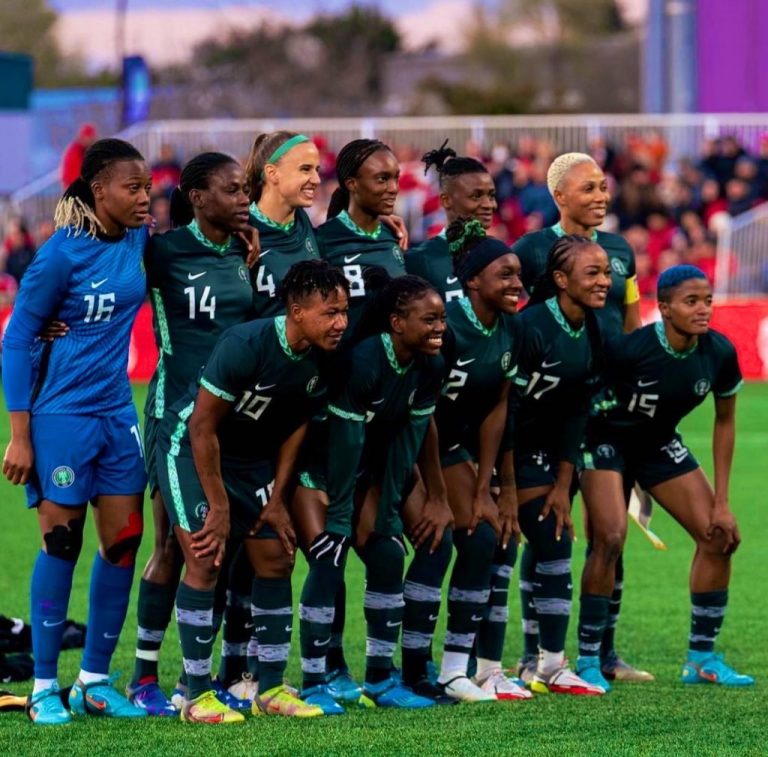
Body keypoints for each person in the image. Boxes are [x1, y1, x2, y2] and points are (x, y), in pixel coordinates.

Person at [156, 260, 349, 723]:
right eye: (330, 312)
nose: (341, 322)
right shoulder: (245, 345)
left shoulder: (326, 358)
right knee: (205, 558)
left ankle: (271, 688)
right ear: (297, 311)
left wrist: (278, 499)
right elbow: (201, 427)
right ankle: (195, 696)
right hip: (192, 447)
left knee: (277, 557)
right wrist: (219, 505)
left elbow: (296, 427)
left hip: (250, 458)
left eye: (344, 311)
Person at [2, 138, 152, 724]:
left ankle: (93, 680)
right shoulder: (60, 255)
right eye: (133, 188)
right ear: (98, 190)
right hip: (60, 415)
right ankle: (44, 686)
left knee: (124, 541)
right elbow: (17, 337)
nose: (145, 198)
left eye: (147, 187)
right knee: (61, 543)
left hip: (117, 412)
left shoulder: (137, 239)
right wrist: (20, 435)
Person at [578, 265, 753, 689]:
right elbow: (584, 403)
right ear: (665, 307)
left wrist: (723, 502)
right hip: (606, 440)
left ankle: (701, 660)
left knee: (719, 537)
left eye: (707, 300)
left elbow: (725, 422)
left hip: (657, 445)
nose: (703, 309)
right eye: (691, 301)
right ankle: (587, 660)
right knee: (610, 540)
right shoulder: (630, 350)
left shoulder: (718, 352)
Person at [127, 152, 257, 716]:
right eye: (233, 189)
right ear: (198, 197)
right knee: (183, 549)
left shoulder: (243, 250)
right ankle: (151, 680)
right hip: (176, 417)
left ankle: (189, 679)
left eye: (246, 188)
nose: (244, 198)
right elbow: (98, 272)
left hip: (229, 424)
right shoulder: (163, 251)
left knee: (217, 553)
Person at [512, 152, 649, 684]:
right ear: (559, 196)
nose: (600, 196)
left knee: (610, 533)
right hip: (551, 411)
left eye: (603, 186)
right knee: (547, 528)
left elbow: (630, 323)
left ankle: (603, 653)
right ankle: (532, 653)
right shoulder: (531, 249)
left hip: (607, 409)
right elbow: (512, 313)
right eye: (587, 188)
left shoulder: (620, 250)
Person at [293, 275, 445, 711]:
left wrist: (390, 512)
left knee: (388, 553)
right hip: (316, 468)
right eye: (429, 320)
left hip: (362, 471)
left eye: (442, 319)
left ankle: (380, 677)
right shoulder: (364, 360)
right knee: (329, 554)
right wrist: (341, 516)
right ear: (397, 323)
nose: (439, 328)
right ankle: (315, 680)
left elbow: (406, 443)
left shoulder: (430, 366)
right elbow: (344, 443)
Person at [400, 218, 530, 703]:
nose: (516, 283)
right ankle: (409, 670)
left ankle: (456, 670)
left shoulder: (511, 328)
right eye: (505, 274)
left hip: (450, 447)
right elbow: (422, 410)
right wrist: (435, 493)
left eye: (518, 274)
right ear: (473, 281)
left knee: (482, 537)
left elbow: (498, 408)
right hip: (406, 441)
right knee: (434, 540)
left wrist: (488, 488)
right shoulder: (447, 327)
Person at [504, 233, 611, 696]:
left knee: (554, 535)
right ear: (562, 280)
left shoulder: (592, 328)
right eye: (593, 273)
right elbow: (503, 408)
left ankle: (548, 664)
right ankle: (477, 667)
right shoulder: (530, 327)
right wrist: (504, 486)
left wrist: (564, 485)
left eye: (606, 272)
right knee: (496, 548)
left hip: (544, 454)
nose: (604, 281)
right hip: (499, 448)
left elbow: (576, 411)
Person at [316, 138, 406, 342]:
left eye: (396, 178)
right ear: (352, 184)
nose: (393, 188)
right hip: (344, 358)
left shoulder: (394, 235)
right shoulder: (322, 239)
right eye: (382, 179)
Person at [405, 140, 498, 302]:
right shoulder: (420, 260)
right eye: (476, 196)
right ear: (446, 200)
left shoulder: (499, 254)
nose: (488, 205)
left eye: (491, 196)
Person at [60, 123, 98, 191]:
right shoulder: (75, 151)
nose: (89, 141)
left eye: (91, 138)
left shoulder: (88, 150)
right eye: (88, 138)